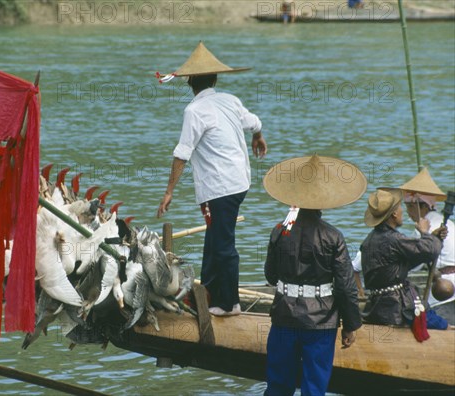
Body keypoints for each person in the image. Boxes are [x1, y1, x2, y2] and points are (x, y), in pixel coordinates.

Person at [156, 41, 267, 316]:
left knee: (222, 243)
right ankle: (207, 291)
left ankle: (228, 305)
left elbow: (182, 153)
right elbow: (254, 121)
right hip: (238, 182)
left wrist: (169, 191)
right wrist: (258, 137)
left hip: (220, 188)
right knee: (215, 237)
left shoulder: (194, 111)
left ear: (190, 83)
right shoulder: (230, 101)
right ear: (214, 79)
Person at [263, 154, 365, 396]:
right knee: (314, 388)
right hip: (320, 323)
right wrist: (350, 325)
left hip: (284, 318)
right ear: (324, 199)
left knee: (278, 385)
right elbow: (345, 287)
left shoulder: (280, 231)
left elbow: (270, 276)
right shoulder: (333, 236)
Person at [360, 188, 447, 327]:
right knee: (442, 325)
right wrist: (425, 233)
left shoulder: (370, 240)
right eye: (400, 207)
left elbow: (402, 263)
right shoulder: (395, 239)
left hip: (378, 306)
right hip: (398, 308)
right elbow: (431, 250)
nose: (403, 211)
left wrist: (433, 237)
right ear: (394, 213)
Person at [401, 168, 455, 323]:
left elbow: (412, 265)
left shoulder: (424, 228)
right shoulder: (449, 223)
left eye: (410, 207)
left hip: (444, 290)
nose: (409, 213)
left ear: (423, 207)